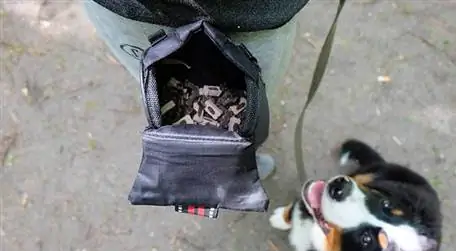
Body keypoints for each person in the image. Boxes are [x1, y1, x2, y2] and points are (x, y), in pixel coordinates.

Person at [84, 0, 309, 180]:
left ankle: (221, 160)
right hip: (250, 15)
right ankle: (235, 163)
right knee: (250, 106)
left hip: (124, 11)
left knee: (160, 89)